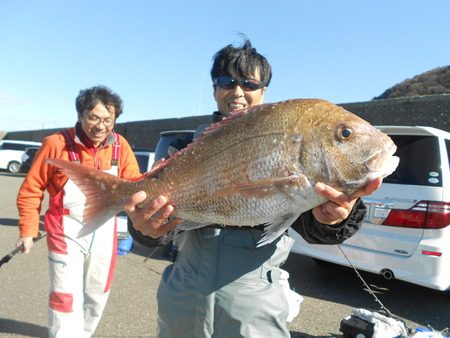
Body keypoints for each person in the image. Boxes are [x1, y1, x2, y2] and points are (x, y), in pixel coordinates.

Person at [125, 39, 382, 338]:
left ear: (263, 92)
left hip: (254, 309)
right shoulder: (182, 150)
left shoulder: (285, 143)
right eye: (227, 81)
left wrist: (337, 217)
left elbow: (313, 225)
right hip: (182, 298)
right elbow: (158, 230)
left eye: (248, 83)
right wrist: (144, 228)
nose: (237, 91)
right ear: (214, 89)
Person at [16, 85, 141, 338]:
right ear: (80, 114)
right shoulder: (55, 143)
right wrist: (28, 229)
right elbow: (32, 188)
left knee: (98, 292)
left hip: (105, 228)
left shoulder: (120, 146)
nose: (100, 126)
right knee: (65, 294)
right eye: (93, 117)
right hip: (65, 229)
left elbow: (136, 184)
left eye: (108, 120)